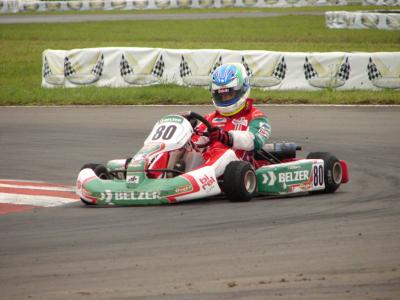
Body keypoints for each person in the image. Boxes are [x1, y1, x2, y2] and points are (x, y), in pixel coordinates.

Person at [194, 63, 272, 177]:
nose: (225, 99)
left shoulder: (257, 117)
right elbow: (195, 143)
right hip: (207, 162)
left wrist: (227, 137)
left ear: (242, 89)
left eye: (229, 94)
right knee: (183, 150)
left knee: (226, 153)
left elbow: (254, 141)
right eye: (221, 96)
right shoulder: (210, 118)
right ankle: (163, 175)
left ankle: (193, 181)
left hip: (238, 168)